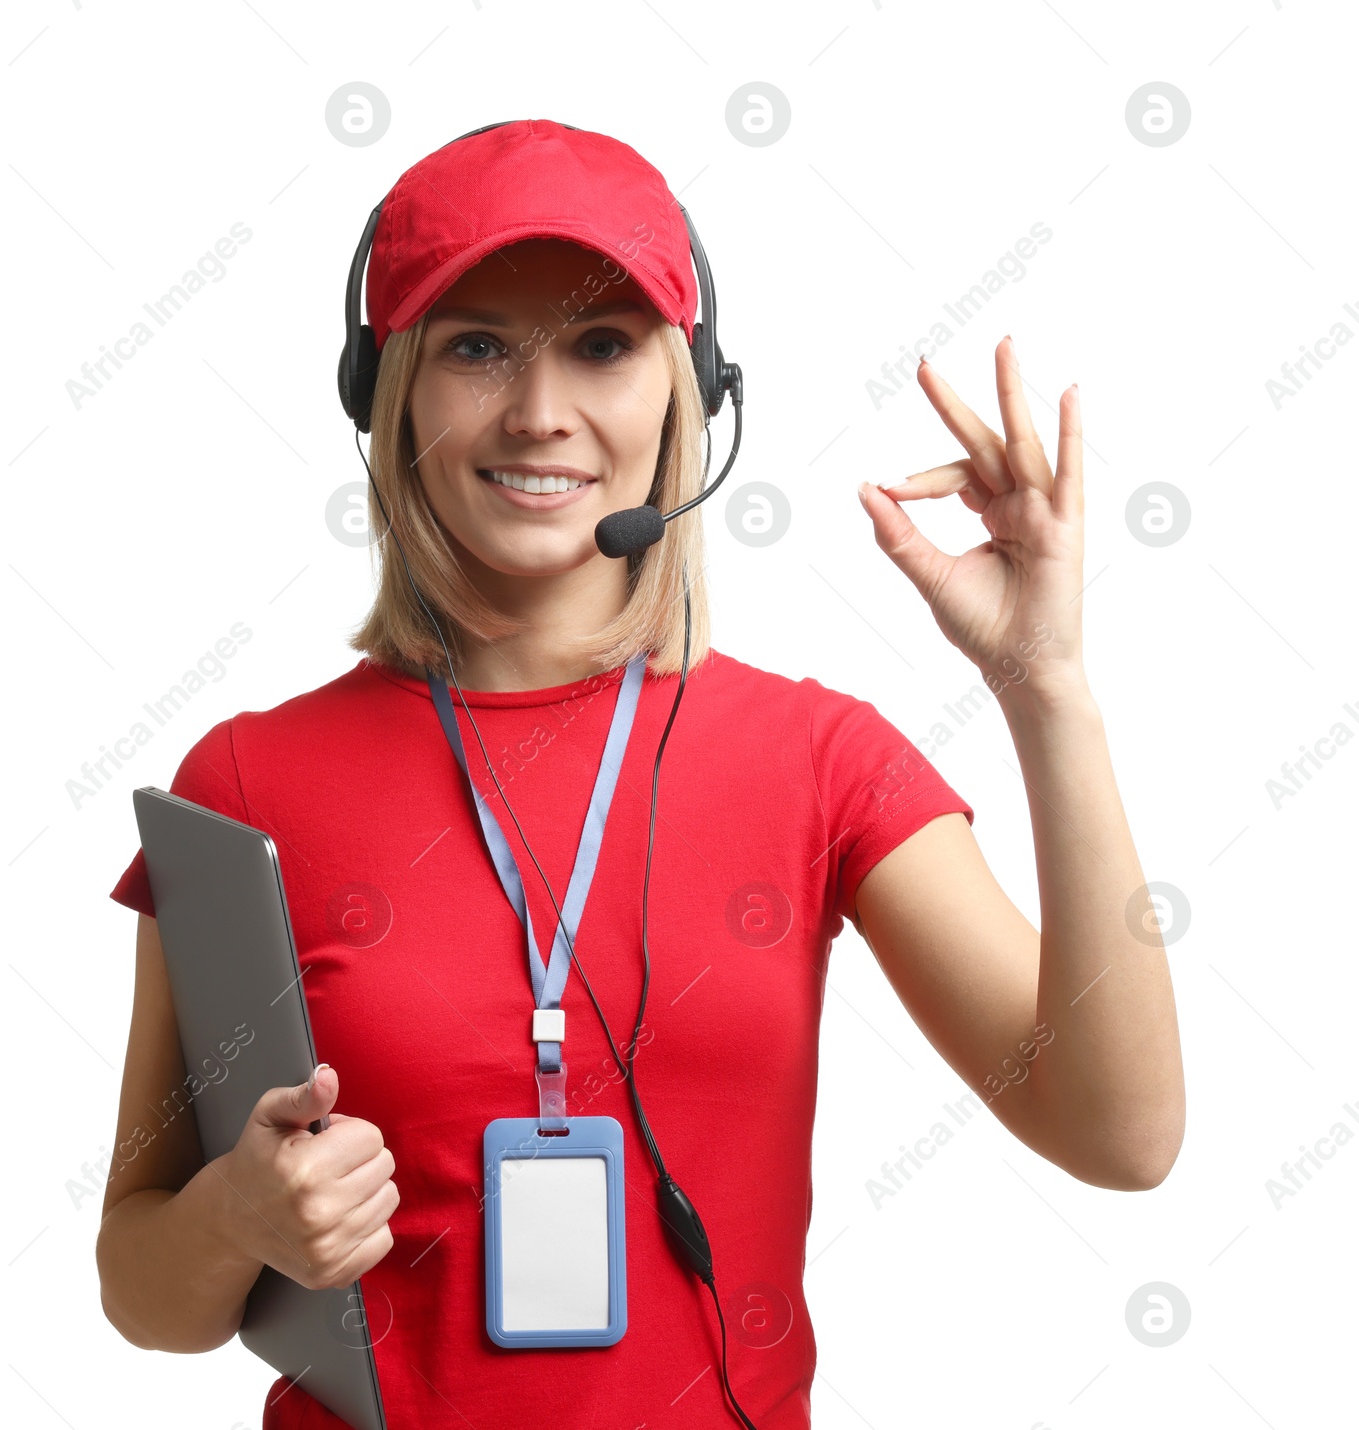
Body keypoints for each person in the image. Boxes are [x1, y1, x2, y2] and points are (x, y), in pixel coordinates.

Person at [95, 119, 1184, 1430]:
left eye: (601, 345)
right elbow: (144, 1286)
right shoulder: (247, 780)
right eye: (477, 346)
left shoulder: (821, 761)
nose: (541, 410)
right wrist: (238, 1214)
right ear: (389, 390)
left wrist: (1046, 686)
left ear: (689, 387)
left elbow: (1123, 1136)